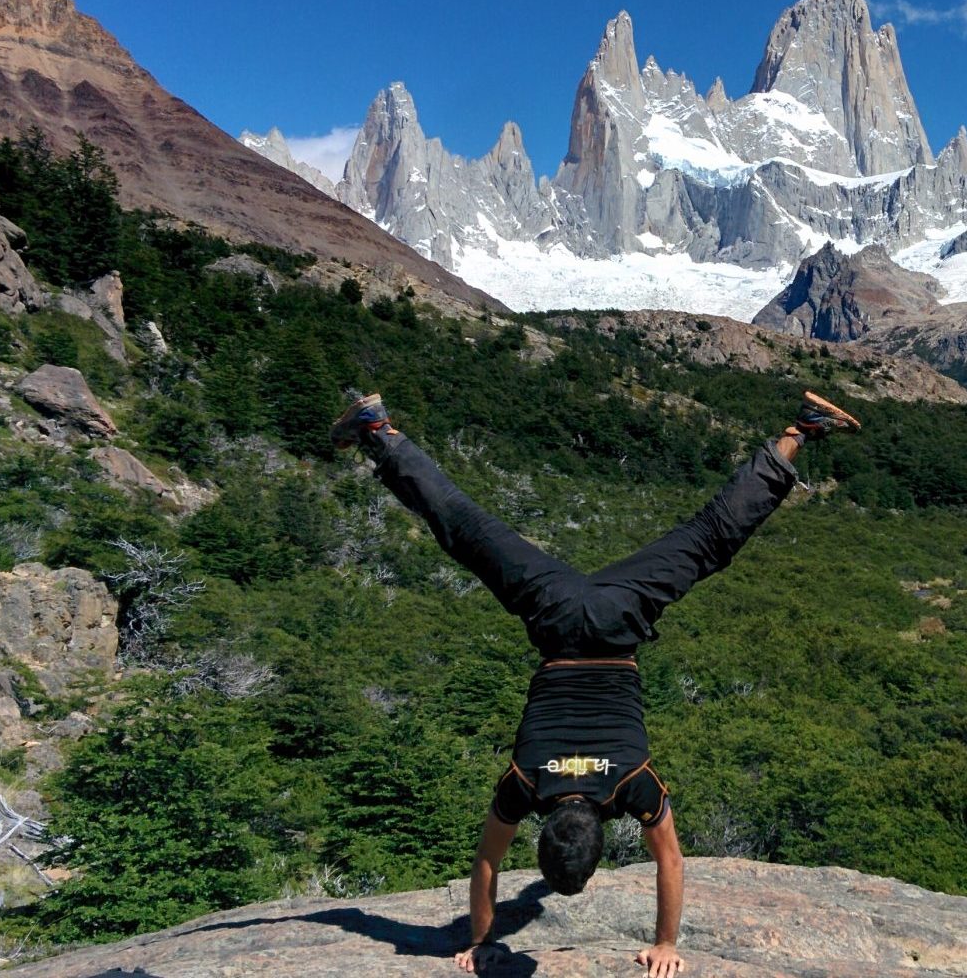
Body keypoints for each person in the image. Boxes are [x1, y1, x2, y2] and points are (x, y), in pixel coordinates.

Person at [330, 389, 863, 977]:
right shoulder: (525, 783)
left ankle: (801, 431)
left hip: (620, 619)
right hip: (555, 613)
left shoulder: (631, 785)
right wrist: (482, 942)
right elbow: (485, 864)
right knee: (464, 525)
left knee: (711, 538)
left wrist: (666, 943)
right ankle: (378, 431)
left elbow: (672, 863)